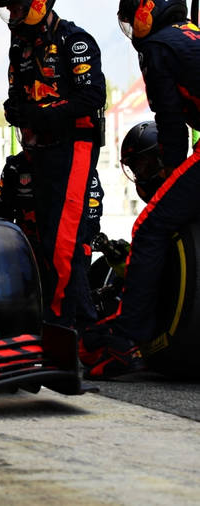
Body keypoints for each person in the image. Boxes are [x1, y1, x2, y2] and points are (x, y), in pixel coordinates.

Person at [83, 0, 198, 379]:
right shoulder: (191, 35)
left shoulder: (158, 46)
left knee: (149, 227)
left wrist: (169, 174)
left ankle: (127, 337)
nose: (132, 27)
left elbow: (171, 123)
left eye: (132, 17)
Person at [0, 0, 107, 330]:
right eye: (9, 10)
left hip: (75, 147)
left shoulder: (75, 41)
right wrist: (14, 109)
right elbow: (17, 92)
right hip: (40, 150)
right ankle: (84, 331)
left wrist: (43, 116)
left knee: (63, 245)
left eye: (17, 8)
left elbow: (92, 98)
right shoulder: (20, 48)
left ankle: (65, 327)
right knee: (49, 243)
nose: (13, 16)